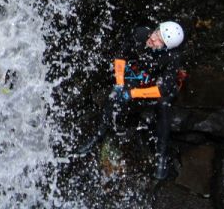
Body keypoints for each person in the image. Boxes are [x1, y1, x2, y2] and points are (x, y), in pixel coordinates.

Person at [77, 21, 186, 180]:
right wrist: (120, 83)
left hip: (156, 84)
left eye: (159, 41)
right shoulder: (141, 34)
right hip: (139, 75)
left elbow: (163, 89)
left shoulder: (172, 57)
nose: (153, 39)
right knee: (113, 96)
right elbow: (121, 56)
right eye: (156, 33)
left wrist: (133, 93)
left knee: (164, 104)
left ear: (165, 47)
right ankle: (99, 133)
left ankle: (160, 155)